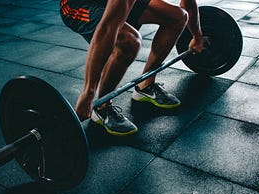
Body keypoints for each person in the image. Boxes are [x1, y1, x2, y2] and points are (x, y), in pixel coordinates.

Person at [60, 0, 204, 136]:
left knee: (178, 17)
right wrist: (88, 92)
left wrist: (198, 37)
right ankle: (102, 107)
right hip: (78, 5)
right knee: (130, 41)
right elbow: (108, 28)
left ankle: (145, 85)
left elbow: (189, 4)